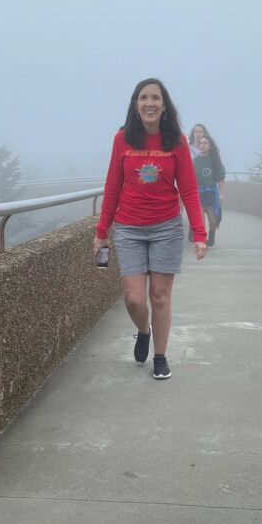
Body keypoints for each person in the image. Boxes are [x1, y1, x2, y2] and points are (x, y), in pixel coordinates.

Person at [93, 78, 208, 380]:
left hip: (166, 228)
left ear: (164, 105)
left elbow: (189, 190)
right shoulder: (122, 139)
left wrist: (199, 232)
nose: (150, 103)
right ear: (135, 104)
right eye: (144, 97)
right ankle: (143, 331)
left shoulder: (178, 142)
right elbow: (113, 186)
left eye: (156, 98)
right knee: (134, 298)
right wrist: (102, 229)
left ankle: (160, 355)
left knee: (159, 296)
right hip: (129, 227)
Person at [194, 135, 226, 247]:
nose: (202, 145)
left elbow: (220, 178)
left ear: (210, 146)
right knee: (200, 221)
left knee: (213, 221)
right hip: (199, 193)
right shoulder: (195, 161)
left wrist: (221, 194)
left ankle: (211, 236)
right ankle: (202, 239)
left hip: (211, 193)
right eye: (201, 143)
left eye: (205, 143)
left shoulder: (214, 161)